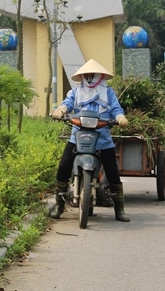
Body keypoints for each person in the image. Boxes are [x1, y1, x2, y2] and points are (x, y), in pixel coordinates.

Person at [49, 58, 130, 222]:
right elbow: (67, 103)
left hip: (102, 138)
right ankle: (59, 205)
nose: (90, 78)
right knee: (64, 166)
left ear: (100, 77)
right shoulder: (75, 92)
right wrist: (61, 109)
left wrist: (120, 117)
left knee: (112, 171)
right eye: (87, 75)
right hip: (78, 135)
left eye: (93, 75)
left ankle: (119, 209)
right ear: (82, 77)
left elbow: (115, 108)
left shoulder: (108, 93)